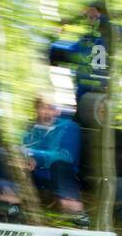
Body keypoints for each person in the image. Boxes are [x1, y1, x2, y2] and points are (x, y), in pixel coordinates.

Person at [21, 97, 89, 227]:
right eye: (42, 107)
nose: (46, 112)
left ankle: (75, 213)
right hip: (33, 175)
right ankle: (9, 206)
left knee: (60, 165)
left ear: (58, 111)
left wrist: (37, 158)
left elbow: (66, 155)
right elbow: (21, 146)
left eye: (51, 108)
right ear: (36, 109)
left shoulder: (68, 127)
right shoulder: (30, 128)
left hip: (59, 175)